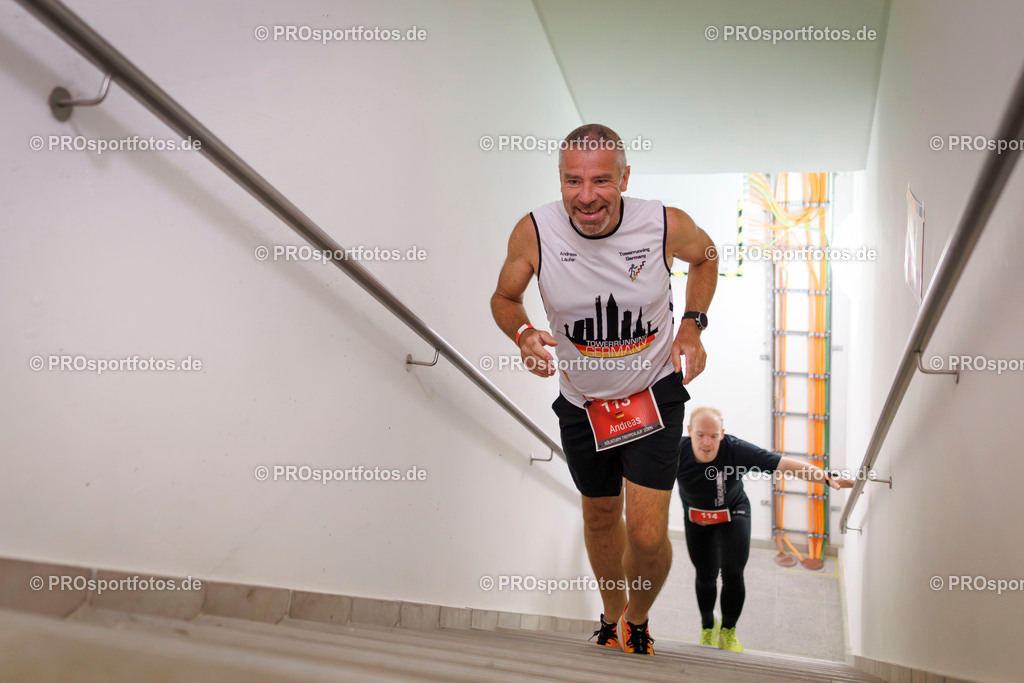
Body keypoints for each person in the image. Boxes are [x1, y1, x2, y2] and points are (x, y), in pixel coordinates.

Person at [490, 123, 718, 656]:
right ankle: (613, 617)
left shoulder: (664, 224)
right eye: (573, 181)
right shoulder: (534, 232)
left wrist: (692, 325)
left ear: (624, 178)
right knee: (598, 515)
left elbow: (705, 257)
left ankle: (638, 617)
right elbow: (504, 298)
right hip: (582, 405)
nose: (586, 196)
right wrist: (523, 334)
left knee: (644, 534)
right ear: (561, 180)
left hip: (652, 392)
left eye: (600, 181)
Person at [676, 406, 855, 653]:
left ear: (722, 434)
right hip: (697, 518)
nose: (707, 442)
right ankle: (708, 626)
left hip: (733, 514)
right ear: (689, 432)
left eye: (714, 436)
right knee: (705, 575)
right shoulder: (675, 450)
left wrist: (824, 477)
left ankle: (728, 631)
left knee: (732, 572)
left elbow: (781, 464)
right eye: (700, 435)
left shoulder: (736, 450)